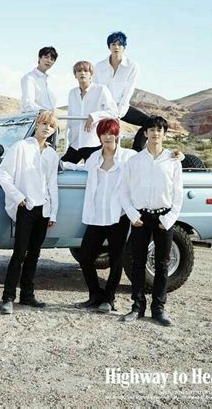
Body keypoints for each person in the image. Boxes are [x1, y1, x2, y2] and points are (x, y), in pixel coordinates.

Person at [63, 118, 136, 313]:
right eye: (103, 133)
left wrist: (175, 156)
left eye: (110, 133)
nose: (107, 137)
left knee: (116, 259)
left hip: (118, 215)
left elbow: (148, 161)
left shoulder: (129, 156)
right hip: (96, 215)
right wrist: (63, 165)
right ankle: (95, 295)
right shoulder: (94, 157)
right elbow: (81, 168)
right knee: (86, 257)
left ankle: (109, 299)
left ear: (117, 134)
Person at [120, 115, 183, 326]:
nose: (156, 133)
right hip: (140, 217)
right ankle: (137, 307)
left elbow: (178, 193)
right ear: (145, 133)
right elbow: (124, 190)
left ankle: (159, 309)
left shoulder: (173, 160)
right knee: (137, 263)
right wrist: (132, 214)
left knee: (162, 265)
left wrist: (169, 219)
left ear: (164, 134)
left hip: (163, 217)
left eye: (160, 130)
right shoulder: (134, 161)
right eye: (152, 129)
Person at [0, 110, 59, 314]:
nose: (46, 128)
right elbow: (3, 173)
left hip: (43, 210)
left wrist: (53, 212)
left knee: (34, 253)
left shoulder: (51, 154)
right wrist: (18, 197)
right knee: (19, 253)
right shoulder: (21, 147)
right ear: (37, 124)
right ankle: (7, 298)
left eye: (50, 126)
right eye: (43, 123)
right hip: (26, 207)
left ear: (53, 130)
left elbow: (52, 184)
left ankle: (27, 295)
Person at [93, 31, 149, 151]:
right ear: (109, 46)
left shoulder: (132, 66)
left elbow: (129, 89)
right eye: (113, 44)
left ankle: (136, 151)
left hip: (121, 107)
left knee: (149, 122)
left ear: (124, 47)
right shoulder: (99, 66)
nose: (116, 47)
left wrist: (118, 112)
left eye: (119, 44)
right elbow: (96, 89)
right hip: (103, 108)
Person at [62, 60, 118, 164]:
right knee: (59, 168)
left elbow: (114, 112)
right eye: (79, 71)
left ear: (91, 74)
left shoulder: (101, 90)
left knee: (94, 175)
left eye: (86, 70)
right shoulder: (72, 93)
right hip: (75, 144)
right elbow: (70, 118)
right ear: (75, 75)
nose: (82, 73)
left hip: (93, 144)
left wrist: (94, 116)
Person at [21, 46, 58, 113]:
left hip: (49, 120)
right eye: (46, 57)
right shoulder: (29, 78)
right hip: (37, 120)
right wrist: (45, 112)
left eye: (52, 59)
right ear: (39, 58)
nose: (49, 61)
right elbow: (28, 104)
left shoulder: (49, 81)